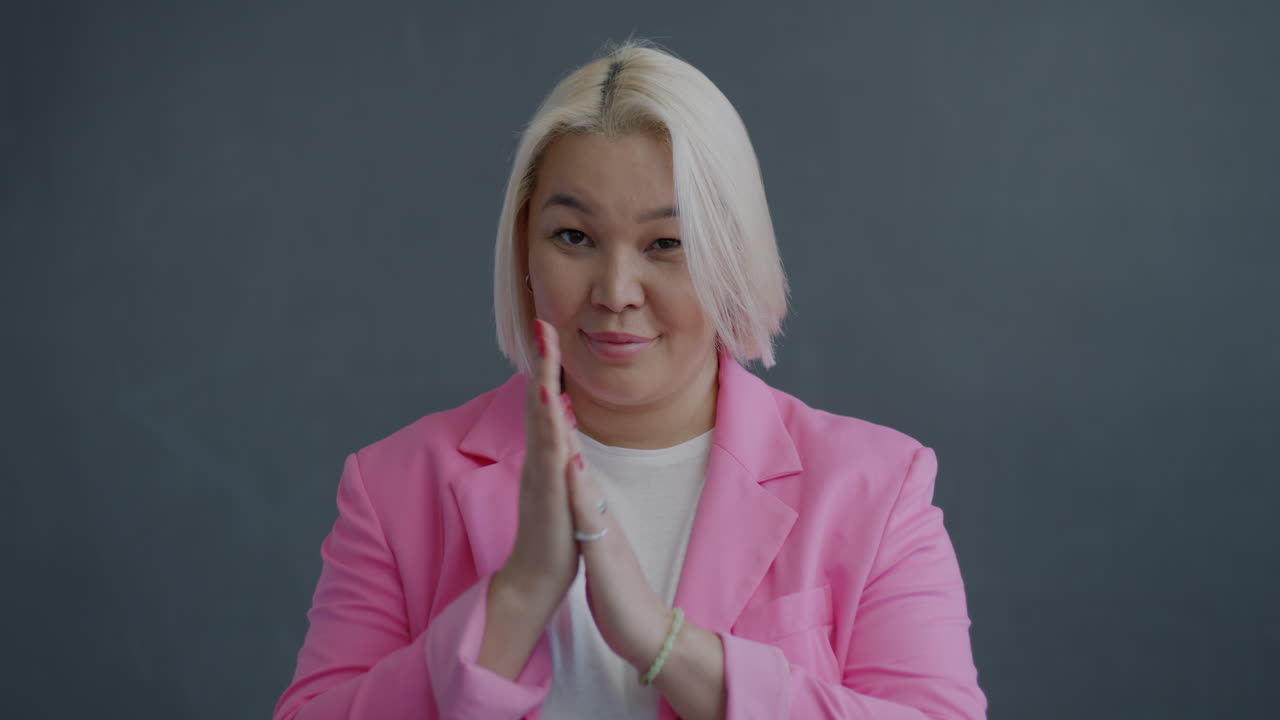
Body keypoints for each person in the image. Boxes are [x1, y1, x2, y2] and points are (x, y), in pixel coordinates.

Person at [273, 39, 987, 720]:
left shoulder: (876, 487)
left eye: (667, 243)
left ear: (730, 256)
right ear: (524, 248)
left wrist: (661, 642)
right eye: (573, 237)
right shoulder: (393, 487)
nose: (615, 291)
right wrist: (516, 598)